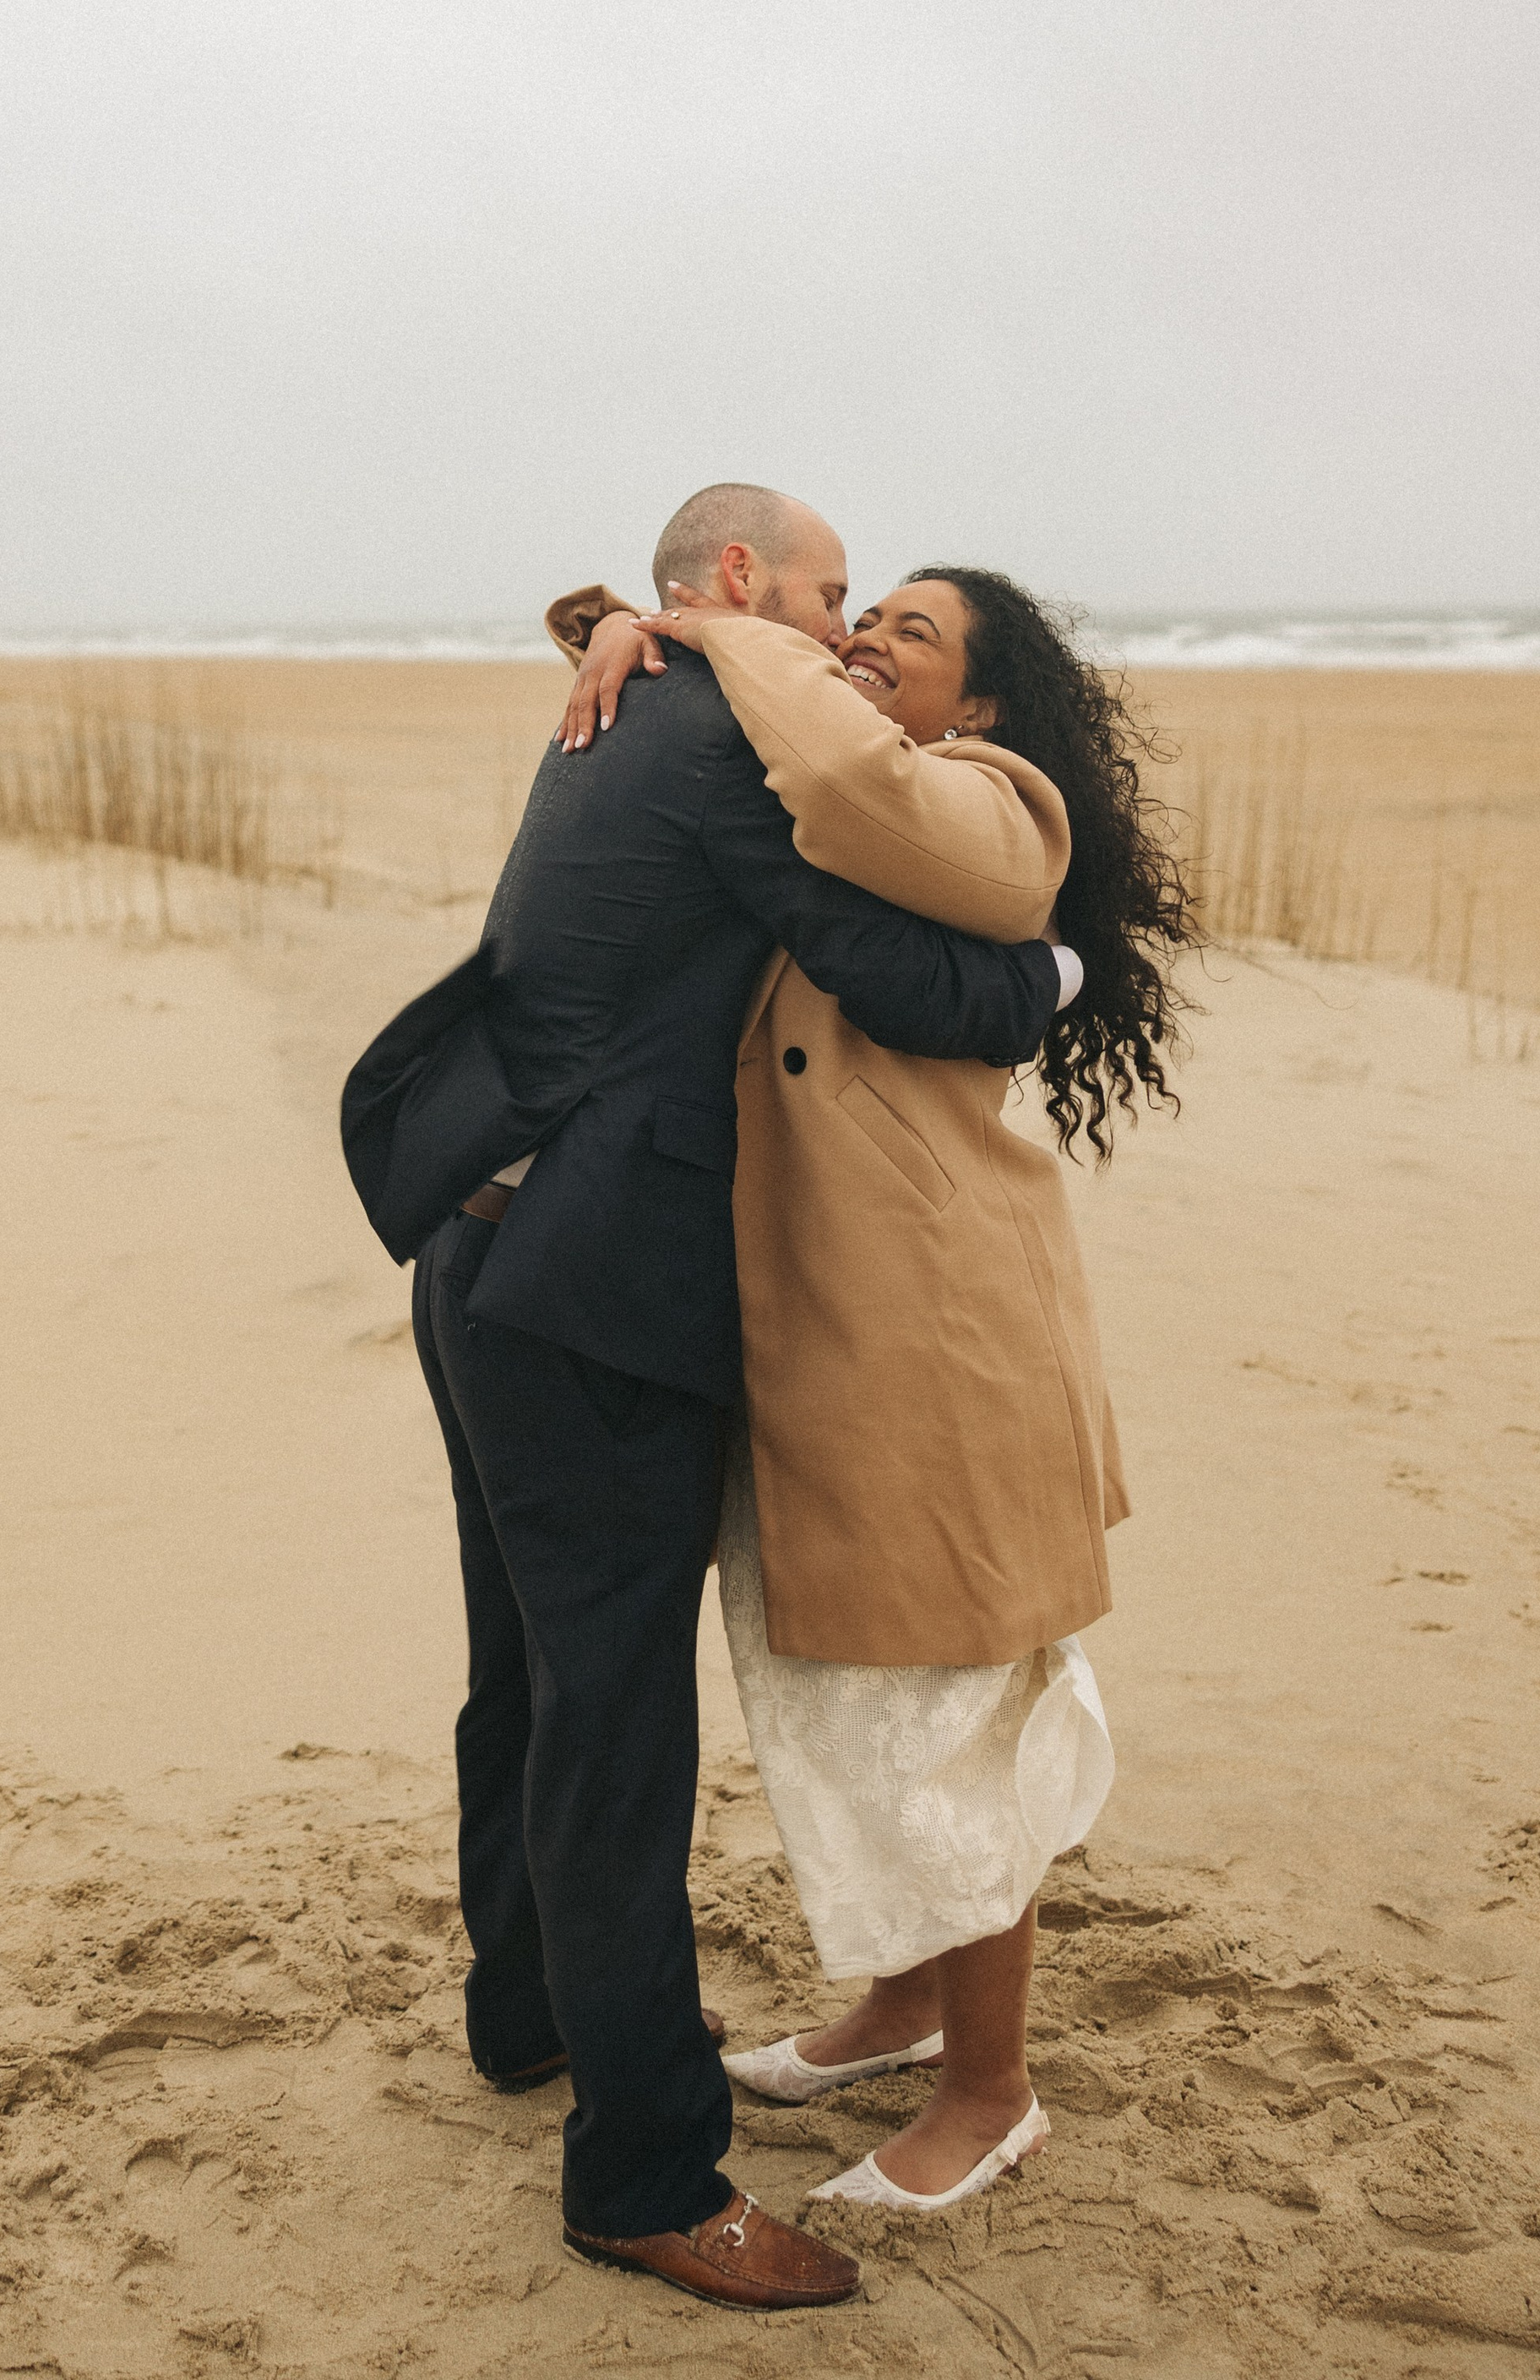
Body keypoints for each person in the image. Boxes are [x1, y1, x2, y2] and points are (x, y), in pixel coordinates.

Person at [340, 486, 1070, 2313]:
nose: (837, 635)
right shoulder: (713, 727)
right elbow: (898, 963)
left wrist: (612, 621)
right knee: (609, 1726)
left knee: (521, 1671)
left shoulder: (627, 693)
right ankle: (646, 2178)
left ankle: (524, 2016)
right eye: (827, 594)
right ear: (736, 582)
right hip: (583, 1289)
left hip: (477, 1239)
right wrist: (1062, 971)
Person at [548, 559, 1191, 2215]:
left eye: (906, 632)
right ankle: (902, 2009)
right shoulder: (845, 791)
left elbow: (833, 774)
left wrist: (717, 627)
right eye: (858, 617)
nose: (861, 643)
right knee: (856, 1712)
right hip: (834, 1339)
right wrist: (630, 626)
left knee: (954, 1721)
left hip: (946, 1347)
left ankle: (987, 2092)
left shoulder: (986, 801)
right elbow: (731, 753)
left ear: (978, 700)